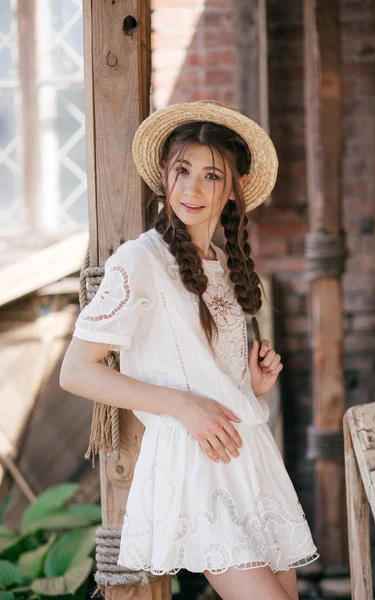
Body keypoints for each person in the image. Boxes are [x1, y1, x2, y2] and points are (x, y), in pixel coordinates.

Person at [60, 99, 319, 600]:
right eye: (183, 170)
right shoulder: (140, 260)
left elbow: (209, 375)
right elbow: (76, 371)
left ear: (233, 189)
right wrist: (184, 406)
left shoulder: (224, 263)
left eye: (211, 176)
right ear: (164, 174)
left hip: (251, 459)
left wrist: (253, 387)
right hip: (196, 466)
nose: (193, 189)